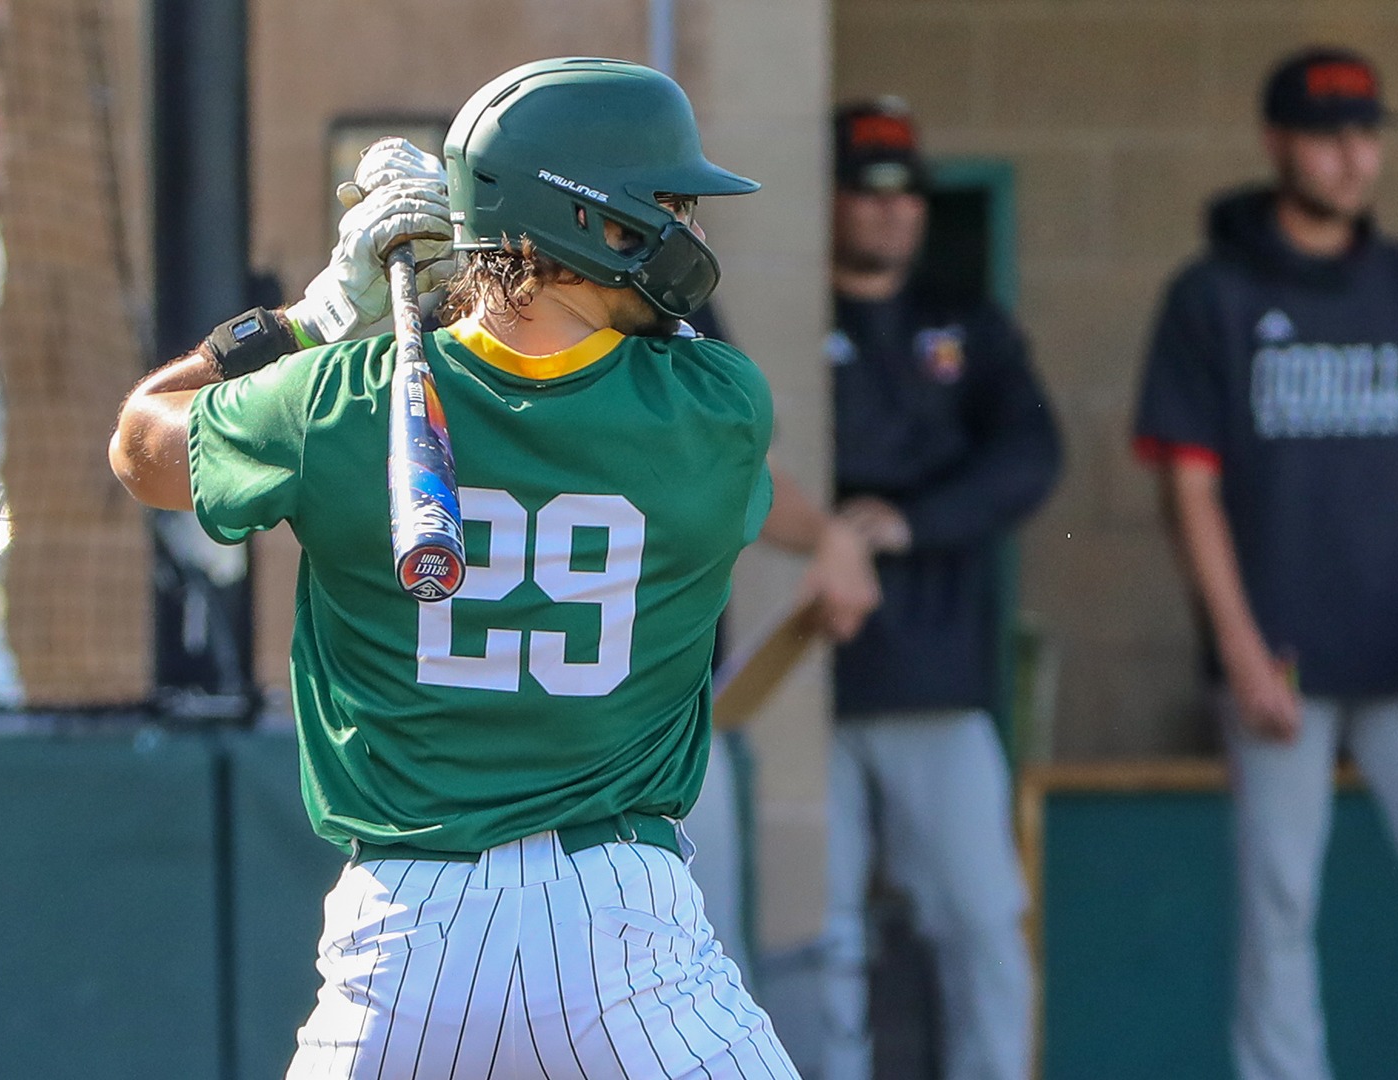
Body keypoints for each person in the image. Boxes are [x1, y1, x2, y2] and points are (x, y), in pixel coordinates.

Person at [111, 57, 867, 1078]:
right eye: (666, 205)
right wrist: (467, 276)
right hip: (625, 936)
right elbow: (623, 361)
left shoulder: (336, 400)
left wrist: (316, 319)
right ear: (587, 221)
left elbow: (139, 442)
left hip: (403, 938)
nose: (685, 233)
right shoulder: (718, 405)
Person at [1133, 46, 1398, 1080]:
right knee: (1280, 905)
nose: (1352, 159)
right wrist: (1241, 651)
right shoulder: (1210, 295)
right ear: (1278, 145)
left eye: (1365, 136)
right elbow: (1190, 493)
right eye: (1328, 136)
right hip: (1283, 666)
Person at [812, 98, 1060, 1080]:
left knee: (984, 926)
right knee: (820, 936)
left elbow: (1033, 457)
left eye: (906, 192)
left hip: (937, 673)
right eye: (866, 191)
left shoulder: (962, 323)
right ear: (828, 198)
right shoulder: (794, 312)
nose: (888, 211)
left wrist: (910, 517)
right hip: (806, 679)